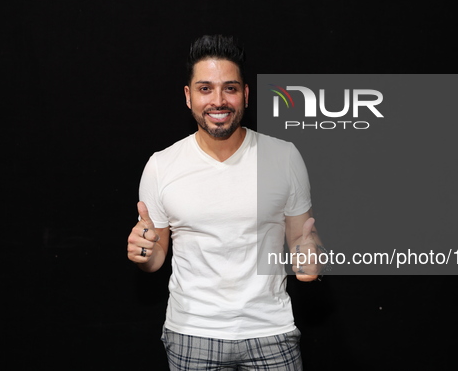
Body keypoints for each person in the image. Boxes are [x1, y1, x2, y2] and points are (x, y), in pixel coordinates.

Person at [127, 35, 326, 370]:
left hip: (270, 330)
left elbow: (301, 239)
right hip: (192, 332)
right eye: (205, 88)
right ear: (188, 97)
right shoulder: (162, 165)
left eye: (230, 88)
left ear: (245, 95)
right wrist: (143, 252)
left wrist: (313, 257)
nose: (218, 100)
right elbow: (156, 256)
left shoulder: (284, 156)